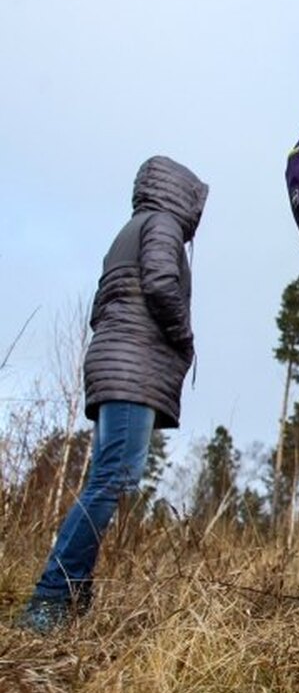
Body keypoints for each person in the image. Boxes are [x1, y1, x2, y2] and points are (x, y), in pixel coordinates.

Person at [17, 156, 209, 633]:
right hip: (133, 366)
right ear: (182, 195)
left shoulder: (132, 228)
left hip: (113, 360)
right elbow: (162, 285)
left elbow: (102, 307)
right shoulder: (162, 225)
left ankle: (73, 597)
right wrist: (184, 338)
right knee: (114, 479)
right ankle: (51, 598)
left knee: (109, 477)